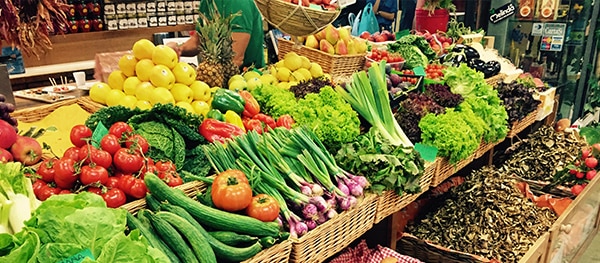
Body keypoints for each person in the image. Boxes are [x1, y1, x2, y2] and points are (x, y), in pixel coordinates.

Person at [167, 0, 265, 69]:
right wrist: (179, 49)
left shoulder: (237, 2)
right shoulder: (207, 2)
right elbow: (198, 41)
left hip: (244, 79)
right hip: (216, 73)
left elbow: (236, 59)